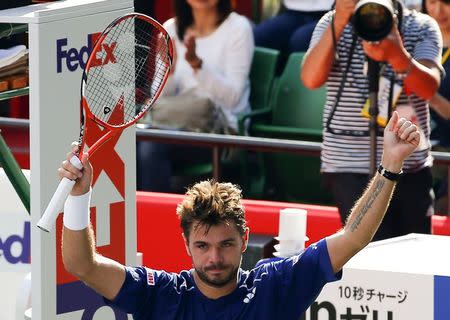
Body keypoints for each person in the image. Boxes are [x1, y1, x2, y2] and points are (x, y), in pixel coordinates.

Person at [61, 111, 419, 319]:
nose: (214, 258)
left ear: (245, 240)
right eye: (202, 245)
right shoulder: (163, 295)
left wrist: (390, 165)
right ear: (186, 245)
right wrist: (80, 196)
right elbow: (83, 265)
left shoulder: (275, 286)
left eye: (226, 244)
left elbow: (353, 237)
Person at [301, 0, 444, 240]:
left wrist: (398, 57)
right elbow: (310, 79)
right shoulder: (332, 22)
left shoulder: (421, 25)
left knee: (411, 256)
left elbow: (429, 89)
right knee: (363, 253)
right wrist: (340, 21)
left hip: (409, 165)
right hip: (348, 164)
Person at [136, 0, 254, 192]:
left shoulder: (238, 27)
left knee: (153, 147)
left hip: (219, 131)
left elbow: (233, 97)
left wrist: (198, 66)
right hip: (173, 123)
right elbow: (159, 98)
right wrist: (169, 71)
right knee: (132, 144)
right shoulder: (171, 28)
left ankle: (153, 218)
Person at [422, 0, 450, 214]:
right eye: (431, 1)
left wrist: (424, 90)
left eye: (447, 2)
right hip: (414, 141)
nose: (438, 11)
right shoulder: (414, 37)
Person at [253, 0, 334, 73]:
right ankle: (273, 86)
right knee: (259, 37)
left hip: (333, 11)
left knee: (301, 39)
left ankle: (296, 86)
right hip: (293, 10)